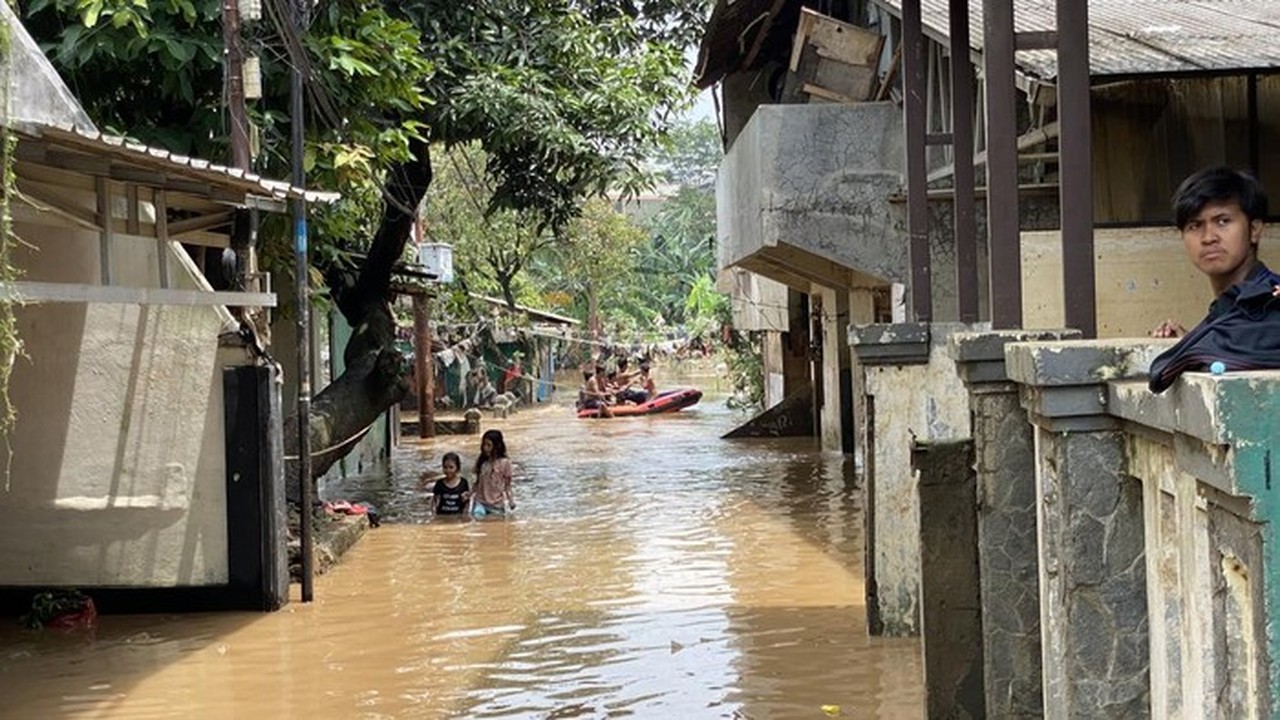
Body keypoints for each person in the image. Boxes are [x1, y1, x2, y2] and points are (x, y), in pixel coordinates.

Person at [1148, 166, 1280, 392]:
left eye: (1223, 221)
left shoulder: (1271, 300)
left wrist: (1194, 346)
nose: (1208, 237)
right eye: (1195, 225)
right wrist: (1193, 339)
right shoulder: (1224, 310)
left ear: (1254, 230)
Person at [471, 429, 515, 517]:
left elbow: (507, 485)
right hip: (480, 502)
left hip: (497, 504)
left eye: (489, 445)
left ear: (497, 446)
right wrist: (469, 493)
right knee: (477, 518)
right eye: (484, 444)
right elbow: (477, 482)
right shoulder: (481, 461)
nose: (485, 448)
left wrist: (511, 501)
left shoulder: (505, 463)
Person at [431, 452, 471, 516]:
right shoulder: (439, 483)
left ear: (457, 468)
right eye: (445, 467)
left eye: (451, 467)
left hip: (458, 516)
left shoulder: (463, 483)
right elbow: (434, 502)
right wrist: (434, 516)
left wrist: (464, 516)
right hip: (442, 516)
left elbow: (466, 502)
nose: (448, 470)